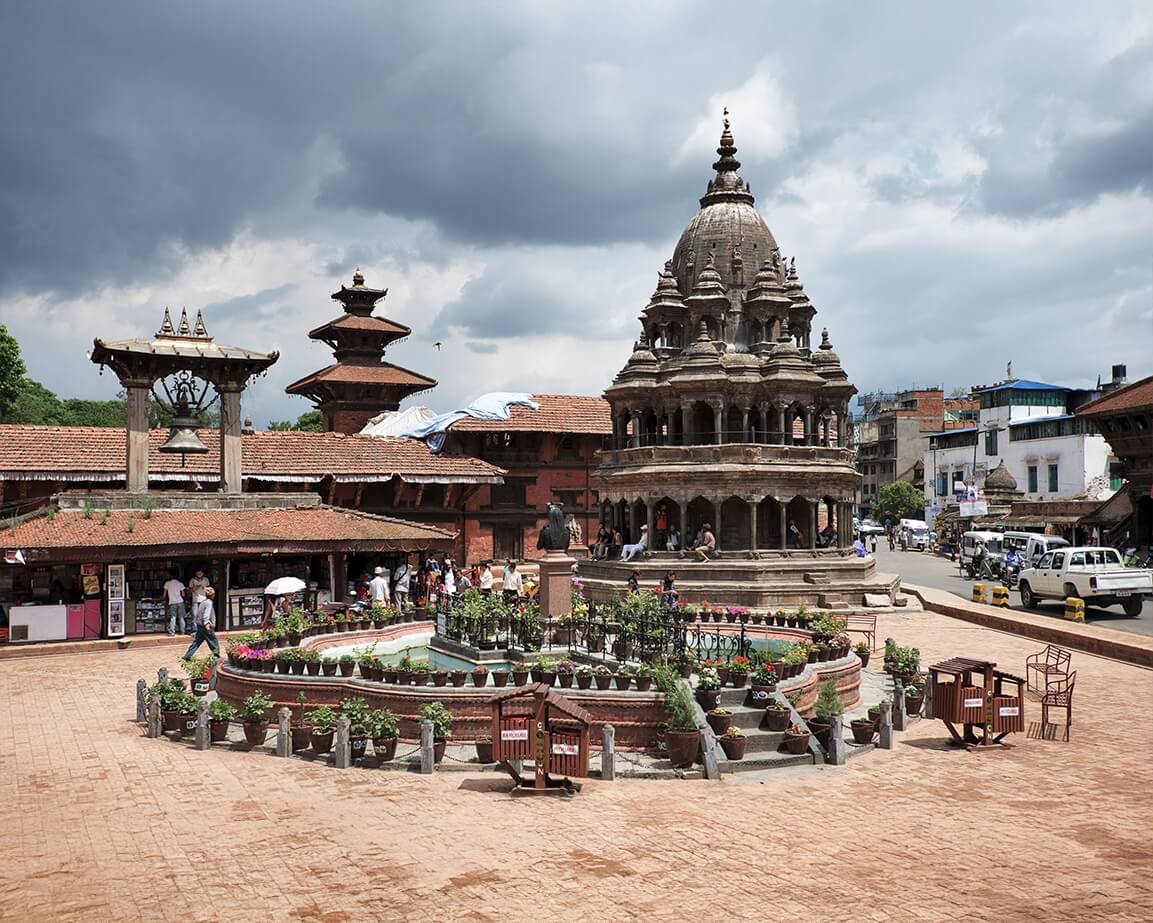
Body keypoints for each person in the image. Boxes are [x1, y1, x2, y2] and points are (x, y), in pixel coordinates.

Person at [182, 587, 220, 659]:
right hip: (206, 625)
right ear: (212, 595)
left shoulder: (203, 602)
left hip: (200, 625)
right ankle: (216, 655)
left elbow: (198, 613)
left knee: (197, 642)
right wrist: (206, 624)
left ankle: (188, 655)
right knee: (213, 640)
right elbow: (206, 614)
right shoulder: (209, 603)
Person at [163, 570, 186, 637]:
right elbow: (183, 594)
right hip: (180, 602)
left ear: (170, 576)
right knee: (181, 617)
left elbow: (164, 594)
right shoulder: (180, 583)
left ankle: (172, 632)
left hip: (172, 602)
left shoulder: (167, 583)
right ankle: (182, 632)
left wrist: (164, 599)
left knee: (173, 617)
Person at [188, 569, 211, 635]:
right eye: (198, 573)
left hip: (204, 599)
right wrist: (195, 587)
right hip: (195, 599)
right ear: (196, 573)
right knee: (195, 615)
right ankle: (195, 631)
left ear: (203, 573)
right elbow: (190, 590)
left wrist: (206, 589)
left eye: (200, 573)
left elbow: (209, 589)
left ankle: (203, 630)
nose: (199, 574)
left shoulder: (206, 579)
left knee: (204, 615)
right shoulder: (192, 580)